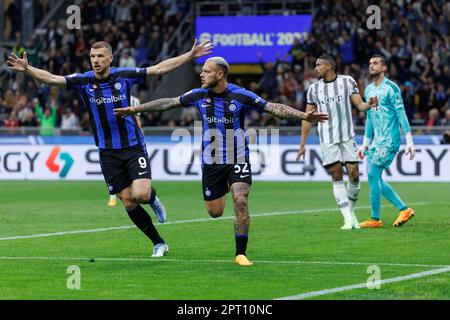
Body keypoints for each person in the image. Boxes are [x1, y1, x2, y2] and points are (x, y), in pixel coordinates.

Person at [114, 56, 328, 266]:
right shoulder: (198, 95)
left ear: (220, 74)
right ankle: (226, 185)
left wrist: (303, 115)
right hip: (212, 161)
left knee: (241, 199)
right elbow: (169, 103)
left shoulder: (240, 95)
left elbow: (272, 107)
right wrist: (136, 109)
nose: (202, 74)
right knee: (215, 212)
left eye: (206, 71)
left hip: (238, 157)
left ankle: (240, 253)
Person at [7, 39, 213, 257]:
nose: (95, 61)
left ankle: (153, 198)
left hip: (133, 146)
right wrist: (28, 69)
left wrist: (190, 56)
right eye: (92, 57)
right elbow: (51, 79)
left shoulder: (124, 75)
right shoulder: (84, 81)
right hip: (107, 152)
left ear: (110, 58)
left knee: (141, 194)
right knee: (127, 200)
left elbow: (159, 68)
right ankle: (158, 243)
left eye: (100, 56)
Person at [296, 55, 378, 230]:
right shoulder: (313, 89)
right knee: (336, 175)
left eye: (318, 65)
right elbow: (306, 118)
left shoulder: (347, 81)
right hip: (327, 138)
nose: (315, 68)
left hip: (347, 136)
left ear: (329, 66)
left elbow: (359, 105)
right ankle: (347, 219)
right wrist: (302, 144)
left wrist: (368, 104)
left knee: (354, 175)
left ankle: (351, 212)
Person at [358, 55, 416, 228]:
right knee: (375, 179)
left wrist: (409, 140)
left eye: (375, 63)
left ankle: (375, 219)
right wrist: (365, 143)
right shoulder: (368, 90)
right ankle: (403, 209)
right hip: (376, 141)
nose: (371, 66)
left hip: (390, 139)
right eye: (369, 63)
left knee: (372, 175)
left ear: (384, 68)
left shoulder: (391, 88)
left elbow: (401, 113)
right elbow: (369, 117)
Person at [108, 95, 142, 207]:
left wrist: (140, 137)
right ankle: (112, 196)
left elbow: (137, 119)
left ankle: (139, 194)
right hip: (110, 142)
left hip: (130, 143)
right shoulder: (103, 97)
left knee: (131, 173)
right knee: (114, 173)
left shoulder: (133, 100)